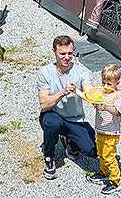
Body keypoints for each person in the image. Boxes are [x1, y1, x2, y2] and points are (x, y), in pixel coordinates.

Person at [36, 35, 97, 181]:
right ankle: (49, 157)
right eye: (62, 54)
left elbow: (90, 90)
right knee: (53, 123)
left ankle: (68, 140)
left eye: (70, 53)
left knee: (91, 151)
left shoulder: (82, 72)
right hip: (53, 114)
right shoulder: (45, 72)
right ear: (54, 52)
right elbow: (44, 104)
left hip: (75, 119)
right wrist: (62, 92)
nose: (67, 57)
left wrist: (96, 96)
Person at [87, 64, 121, 194]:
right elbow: (97, 105)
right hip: (101, 130)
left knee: (109, 156)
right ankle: (104, 172)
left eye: (109, 84)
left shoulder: (118, 96)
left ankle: (115, 181)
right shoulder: (103, 93)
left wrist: (106, 107)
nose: (105, 86)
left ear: (117, 83)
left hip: (111, 132)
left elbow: (118, 112)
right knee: (101, 154)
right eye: (103, 83)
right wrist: (96, 104)